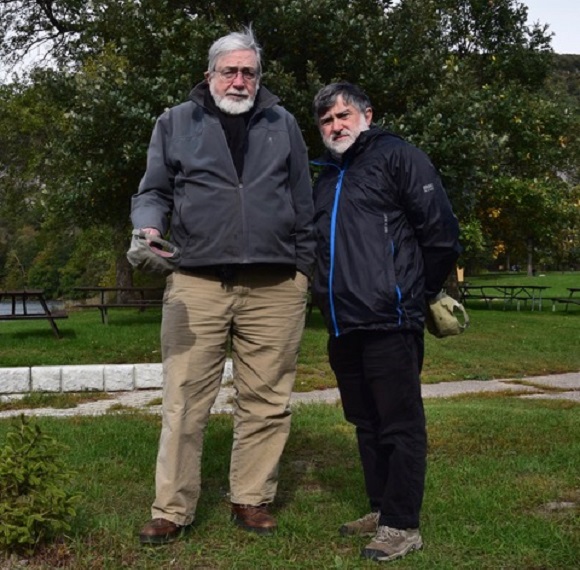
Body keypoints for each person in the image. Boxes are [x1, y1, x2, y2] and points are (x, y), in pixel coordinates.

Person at [131, 27, 315, 545]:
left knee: (267, 401)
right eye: (229, 71)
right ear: (210, 74)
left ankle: (251, 499)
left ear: (259, 77)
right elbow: (153, 192)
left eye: (249, 72)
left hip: (275, 285)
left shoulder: (284, 123)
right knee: (185, 400)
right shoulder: (175, 122)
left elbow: (304, 201)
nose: (239, 81)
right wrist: (148, 228)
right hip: (197, 283)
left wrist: (303, 270)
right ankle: (172, 508)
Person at [311, 82, 460, 563]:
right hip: (342, 323)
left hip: (390, 320)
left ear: (367, 115)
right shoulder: (327, 179)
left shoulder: (399, 157)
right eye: (326, 121)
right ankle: (380, 510)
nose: (335, 126)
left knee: (399, 425)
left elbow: (440, 234)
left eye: (343, 116)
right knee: (364, 422)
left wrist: (415, 295)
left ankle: (403, 525)